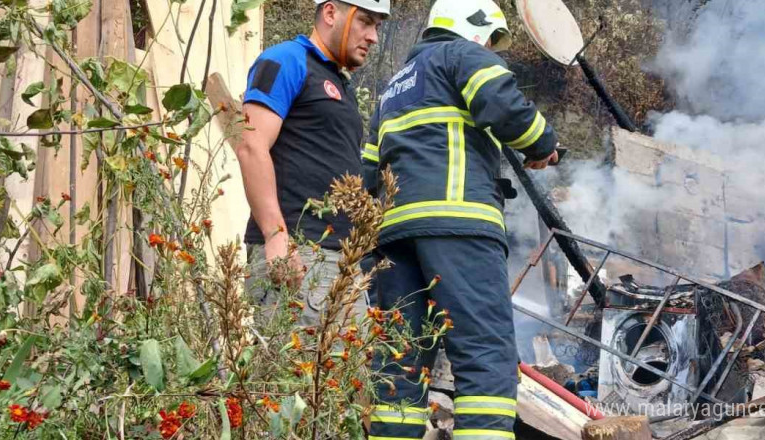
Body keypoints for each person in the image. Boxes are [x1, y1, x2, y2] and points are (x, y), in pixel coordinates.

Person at [362, 0, 560, 438]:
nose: (492, 49)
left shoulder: (394, 87)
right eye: (490, 41)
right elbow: (504, 105)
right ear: (475, 30)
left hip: (393, 237)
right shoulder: (462, 54)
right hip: (458, 225)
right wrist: (542, 144)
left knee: (400, 359)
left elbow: (367, 169)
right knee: (484, 354)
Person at [239, 0, 389, 327]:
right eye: (365, 21)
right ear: (331, 13)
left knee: (348, 377)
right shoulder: (285, 60)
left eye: (377, 26)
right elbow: (251, 145)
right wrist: (276, 234)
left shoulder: (339, 84)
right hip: (299, 254)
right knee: (295, 375)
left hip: (339, 262)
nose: (373, 36)